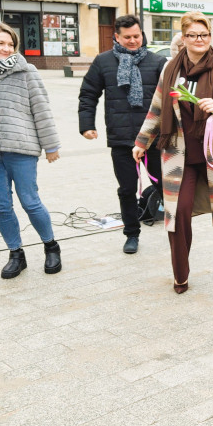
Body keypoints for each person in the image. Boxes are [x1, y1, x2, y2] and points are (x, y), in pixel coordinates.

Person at [133, 11, 213, 294]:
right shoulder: (170, 70)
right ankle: (181, 275)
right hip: (179, 155)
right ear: (183, 38)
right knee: (177, 213)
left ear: (210, 37)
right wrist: (141, 142)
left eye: (203, 35)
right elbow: (157, 108)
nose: (198, 40)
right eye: (192, 35)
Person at [0, 22, 62, 279]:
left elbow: (42, 109)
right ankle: (16, 253)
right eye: (0, 43)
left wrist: (50, 145)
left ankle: (51, 246)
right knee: (1, 206)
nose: (6, 49)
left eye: (10, 44)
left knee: (30, 201)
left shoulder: (27, 72)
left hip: (22, 147)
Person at [79, 14, 167, 254]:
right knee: (127, 189)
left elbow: (171, 100)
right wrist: (86, 124)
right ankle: (131, 233)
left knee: (164, 187)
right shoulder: (103, 62)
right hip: (122, 138)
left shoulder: (157, 61)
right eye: (127, 37)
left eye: (136, 36)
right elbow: (88, 94)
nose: (133, 41)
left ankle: (176, 229)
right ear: (116, 37)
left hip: (153, 138)